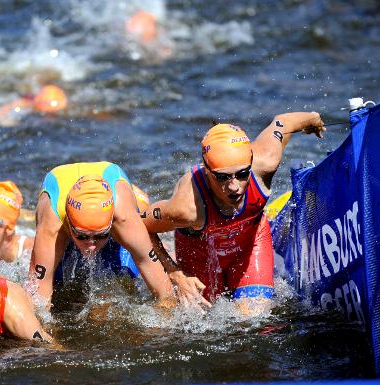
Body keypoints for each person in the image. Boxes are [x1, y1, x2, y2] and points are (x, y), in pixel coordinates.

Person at [142, 112, 325, 315]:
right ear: (206, 170)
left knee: (253, 318)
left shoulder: (266, 161)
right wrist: (175, 272)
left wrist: (312, 120)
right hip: (199, 252)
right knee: (202, 319)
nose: (234, 187)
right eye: (222, 177)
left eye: (242, 174)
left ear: (251, 162)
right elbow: (139, 226)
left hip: (250, 243)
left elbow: (283, 124)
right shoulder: (187, 208)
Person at [30, 161, 176, 309]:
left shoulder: (124, 218)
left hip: (113, 181)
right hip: (57, 186)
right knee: (55, 287)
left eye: (101, 235)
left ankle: (139, 198)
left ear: (112, 223)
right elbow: (38, 304)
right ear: (69, 223)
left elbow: (165, 295)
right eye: (82, 236)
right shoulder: (51, 227)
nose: (92, 246)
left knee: (128, 278)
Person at [0, 85, 68, 127]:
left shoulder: (64, 108)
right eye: (49, 114)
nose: (50, 119)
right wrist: (9, 122)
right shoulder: (24, 103)